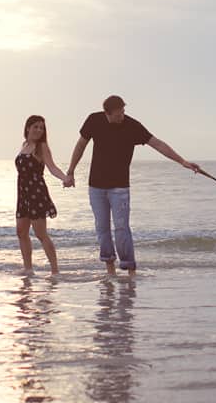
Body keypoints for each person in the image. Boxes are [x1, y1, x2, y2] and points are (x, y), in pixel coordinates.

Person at [65, 95, 200, 276]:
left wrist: (182, 161)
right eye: (118, 114)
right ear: (107, 113)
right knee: (102, 228)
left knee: (122, 228)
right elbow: (80, 145)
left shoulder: (132, 126)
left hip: (120, 187)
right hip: (96, 186)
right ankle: (110, 271)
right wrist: (71, 171)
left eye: (123, 112)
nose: (122, 116)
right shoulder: (94, 120)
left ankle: (130, 270)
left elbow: (158, 144)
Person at [16, 115, 67, 274]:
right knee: (21, 232)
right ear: (28, 128)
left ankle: (55, 271)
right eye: (36, 127)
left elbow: (52, 167)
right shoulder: (25, 145)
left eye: (41, 128)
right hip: (23, 194)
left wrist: (65, 178)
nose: (39, 130)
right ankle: (28, 269)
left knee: (40, 234)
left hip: (36, 192)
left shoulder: (41, 147)